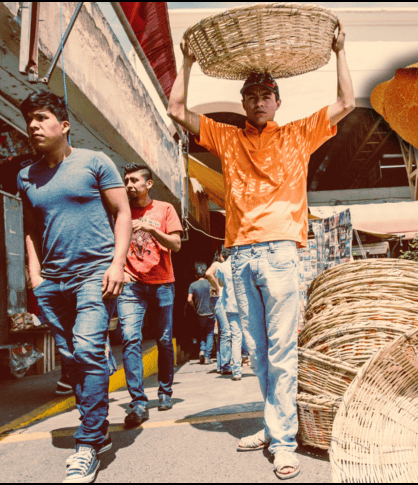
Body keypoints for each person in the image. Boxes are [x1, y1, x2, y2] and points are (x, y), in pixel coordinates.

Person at [168, 21, 354, 480]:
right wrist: (187, 63)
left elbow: (347, 103)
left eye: (265, 95)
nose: (258, 102)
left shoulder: (299, 133)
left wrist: (339, 53)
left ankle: (284, 442)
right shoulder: (227, 137)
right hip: (240, 255)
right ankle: (274, 428)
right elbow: (176, 108)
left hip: (279, 252)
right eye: (250, 96)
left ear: (277, 101)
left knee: (282, 350)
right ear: (243, 103)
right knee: (257, 350)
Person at [17, 91, 131, 483]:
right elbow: (31, 229)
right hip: (52, 281)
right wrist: (35, 276)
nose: (34, 125)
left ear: (64, 125)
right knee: (74, 359)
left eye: (42, 117)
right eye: (30, 119)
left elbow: (122, 213)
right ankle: (97, 426)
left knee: (85, 349)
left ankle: (88, 443)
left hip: (93, 274)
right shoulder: (26, 176)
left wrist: (117, 264)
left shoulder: (95, 162)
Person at [118, 164, 183, 426]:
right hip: (131, 285)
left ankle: (165, 391)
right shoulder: (120, 210)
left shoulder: (165, 209)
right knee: (130, 338)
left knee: (164, 340)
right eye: (126, 181)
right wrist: (119, 270)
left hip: (163, 284)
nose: (129, 185)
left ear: (148, 184)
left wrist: (151, 229)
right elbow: (108, 244)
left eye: (134, 180)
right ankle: (137, 402)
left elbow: (176, 245)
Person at [209, 248, 243, 380]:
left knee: (234, 337)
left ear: (221, 256)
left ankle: (236, 371)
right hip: (246, 304)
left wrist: (217, 287)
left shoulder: (222, 267)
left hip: (230, 304)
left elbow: (215, 279)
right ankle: (258, 365)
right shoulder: (243, 262)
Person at [188, 268, 215, 365]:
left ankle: (202, 350)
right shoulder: (210, 283)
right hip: (211, 312)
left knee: (202, 332)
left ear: (196, 276)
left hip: (200, 313)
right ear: (205, 275)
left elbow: (189, 299)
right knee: (210, 333)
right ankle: (207, 357)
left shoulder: (192, 285)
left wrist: (194, 307)